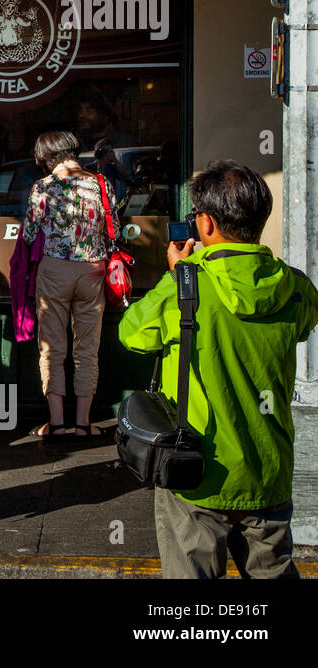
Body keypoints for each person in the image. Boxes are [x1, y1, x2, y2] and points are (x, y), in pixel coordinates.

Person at [119, 161, 318, 579]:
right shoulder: (296, 287)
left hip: (197, 471)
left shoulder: (186, 288)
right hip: (268, 471)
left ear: (205, 223)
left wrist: (177, 275)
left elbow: (132, 333)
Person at [21, 130, 112, 439]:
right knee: (87, 351)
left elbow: (30, 234)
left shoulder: (42, 187)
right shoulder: (101, 184)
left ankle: (57, 423)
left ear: (45, 157)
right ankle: (84, 424)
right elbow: (113, 228)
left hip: (54, 270)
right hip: (92, 270)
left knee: (52, 349)